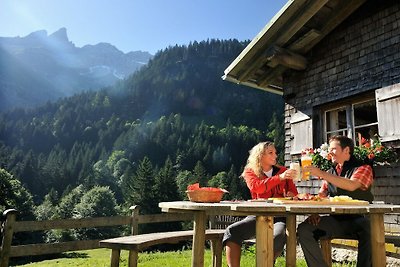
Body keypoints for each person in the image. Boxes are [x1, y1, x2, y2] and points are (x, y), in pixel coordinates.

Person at [297, 135, 374, 267]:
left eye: (333, 149)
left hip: (359, 220)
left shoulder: (363, 168)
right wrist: (315, 212)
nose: (329, 152)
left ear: (346, 150)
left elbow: (351, 185)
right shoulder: (331, 172)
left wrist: (321, 173)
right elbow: (321, 196)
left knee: (369, 228)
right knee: (304, 229)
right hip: (336, 221)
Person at [222, 141, 298, 267]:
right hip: (257, 216)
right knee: (232, 231)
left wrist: (291, 195)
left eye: (275, 153)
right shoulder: (250, 172)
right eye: (270, 153)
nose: (275, 156)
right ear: (260, 156)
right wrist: (280, 178)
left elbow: (293, 193)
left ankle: (267, 264)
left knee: (277, 236)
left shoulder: (283, 171)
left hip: (280, 216)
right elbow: (257, 188)